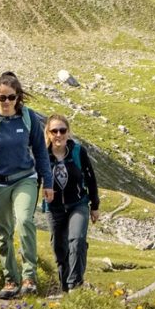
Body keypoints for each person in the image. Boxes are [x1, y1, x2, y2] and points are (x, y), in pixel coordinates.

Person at [0, 72, 53, 298]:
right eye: (2, 98)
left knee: (24, 221)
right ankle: (10, 280)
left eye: (11, 97)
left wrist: (48, 183)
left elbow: (41, 152)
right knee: (3, 231)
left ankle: (29, 277)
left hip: (25, 179)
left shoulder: (28, 118)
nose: (6, 102)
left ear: (18, 97)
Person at [43, 114, 100, 293]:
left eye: (62, 130)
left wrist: (95, 206)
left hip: (78, 204)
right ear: (48, 133)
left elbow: (91, 178)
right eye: (54, 131)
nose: (58, 134)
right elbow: (34, 180)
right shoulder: (42, 155)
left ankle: (75, 284)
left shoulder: (78, 151)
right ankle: (65, 287)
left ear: (68, 133)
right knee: (59, 248)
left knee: (77, 240)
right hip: (54, 208)